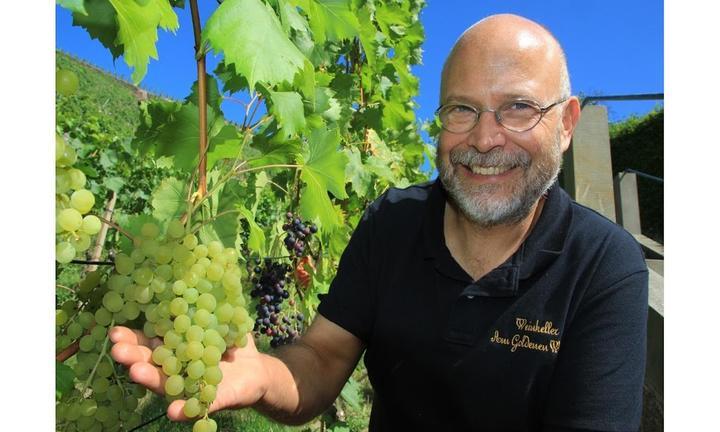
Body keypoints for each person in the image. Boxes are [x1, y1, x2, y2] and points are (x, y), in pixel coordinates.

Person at [110, 14, 649, 431]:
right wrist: (263, 375)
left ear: (568, 123)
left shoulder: (604, 268)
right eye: (462, 109)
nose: (485, 139)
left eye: (518, 108)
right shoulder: (393, 221)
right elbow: (320, 359)